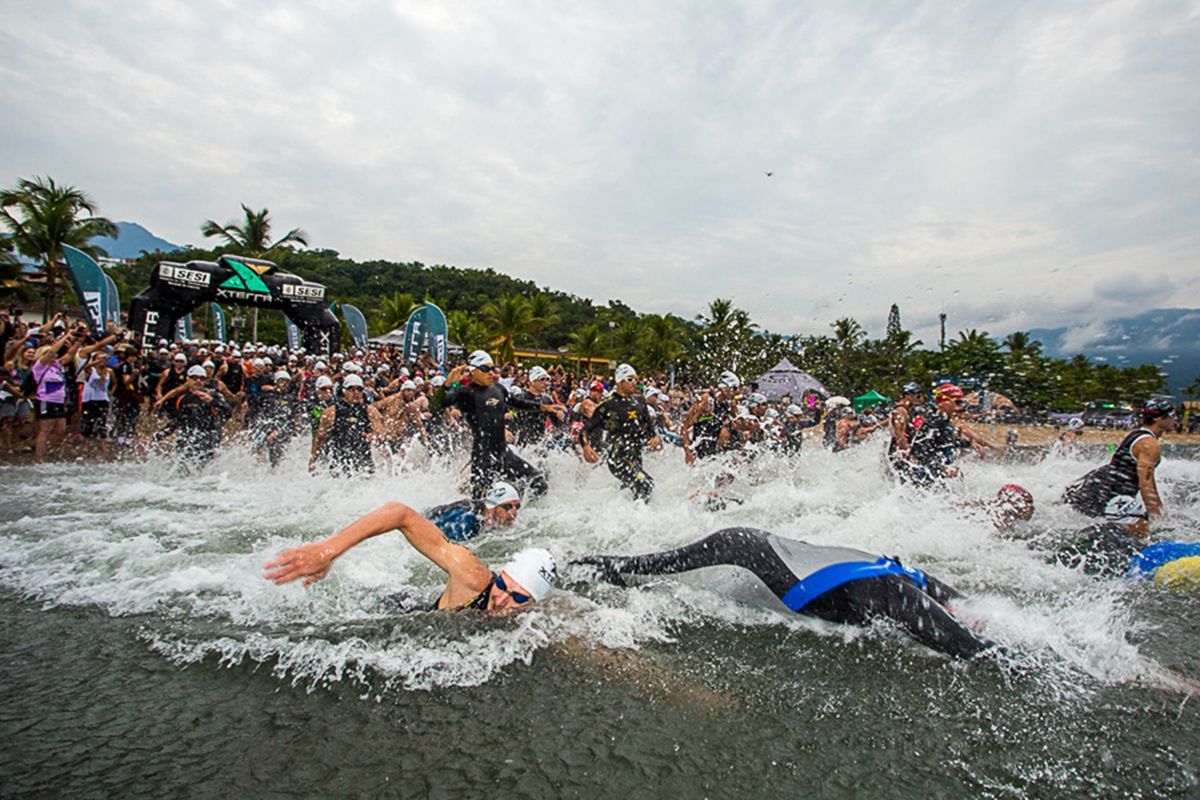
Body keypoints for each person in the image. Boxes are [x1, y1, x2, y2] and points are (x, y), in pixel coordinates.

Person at [571, 527, 997, 660]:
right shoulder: (893, 591)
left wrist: (962, 610)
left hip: (780, 551)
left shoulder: (898, 582)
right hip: (756, 548)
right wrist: (966, 619)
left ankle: (600, 565)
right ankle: (599, 565)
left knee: (653, 564)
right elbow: (961, 634)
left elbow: (938, 595)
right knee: (655, 564)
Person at [263, 501, 556, 612]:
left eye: (518, 598)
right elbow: (400, 514)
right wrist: (328, 550)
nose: (501, 599)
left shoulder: (535, 620)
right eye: (503, 585)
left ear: (533, 603)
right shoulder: (473, 576)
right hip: (397, 610)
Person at [432, 350, 564, 500]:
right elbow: (435, 406)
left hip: (503, 453)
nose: (491, 372)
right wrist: (447, 383)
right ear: (473, 371)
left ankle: (514, 511)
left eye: (493, 368)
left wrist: (544, 407)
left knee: (539, 483)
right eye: (485, 368)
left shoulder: (498, 389)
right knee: (480, 502)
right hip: (483, 456)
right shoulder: (465, 392)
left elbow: (517, 403)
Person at [1062, 397, 1177, 526]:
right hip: (1106, 492)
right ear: (1157, 418)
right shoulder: (1149, 444)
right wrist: (1158, 518)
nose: (1176, 418)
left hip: (1097, 484)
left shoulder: (1136, 434)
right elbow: (1146, 483)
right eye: (1172, 415)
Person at [580, 363, 662, 500]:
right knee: (646, 484)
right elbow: (585, 429)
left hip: (635, 458)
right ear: (619, 380)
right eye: (630, 379)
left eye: (636, 379)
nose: (634, 382)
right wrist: (586, 446)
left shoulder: (640, 402)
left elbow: (650, 426)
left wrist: (655, 437)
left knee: (632, 494)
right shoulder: (607, 405)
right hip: (617, 458)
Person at [310, 374, 386, 476]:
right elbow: (320, 439)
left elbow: (380, 434)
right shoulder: (330, 413)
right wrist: (313, 462)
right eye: (352, 389)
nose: (356, 393)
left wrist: (374, 437)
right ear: (344, 391)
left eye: (359, 389)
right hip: (339, 465)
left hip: (363, 465)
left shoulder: (370, 411)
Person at [423, 482, 523, 543]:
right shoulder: (464, 521)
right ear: (491, 507)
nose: (514, 513)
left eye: (517, 506)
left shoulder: (488, 518)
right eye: (507, 507)